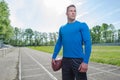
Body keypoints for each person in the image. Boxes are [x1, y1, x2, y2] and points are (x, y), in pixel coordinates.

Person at [52, 4, 92, 80]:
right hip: (65, 60)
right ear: (66, 13)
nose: (73, 12)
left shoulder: (82, 25)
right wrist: (54, 56)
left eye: (75, 11)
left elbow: (88, 43)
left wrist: (86, 61)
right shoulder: (62, 28)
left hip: (78, 60)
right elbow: (59, 43)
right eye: (71, 11)